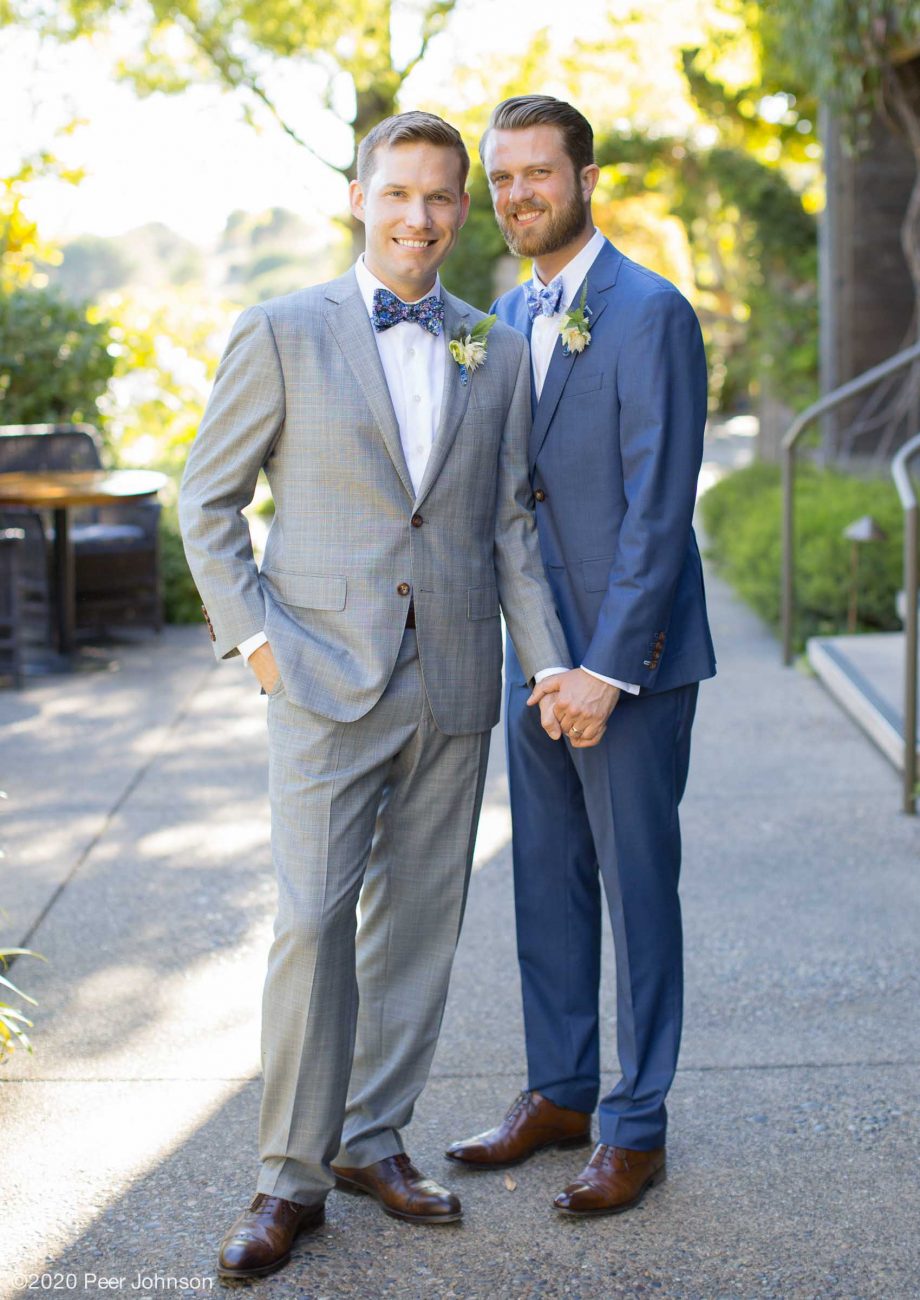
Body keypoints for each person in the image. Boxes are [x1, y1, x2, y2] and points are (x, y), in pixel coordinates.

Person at [179, 110, 574, 1280]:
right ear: (357, 198)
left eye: (441, 198)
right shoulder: (281, 330)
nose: (418, 217)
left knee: (415, 933)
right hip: (316, 679)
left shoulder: (489, 345)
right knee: (310, 924)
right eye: (397, 193)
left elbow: (504, 523)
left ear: (463, 211)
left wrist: (544, 662)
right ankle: (283, 1179)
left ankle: (371, 1139)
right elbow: (207, 506)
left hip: (452, 679)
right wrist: (257, 648)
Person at [446, 95, 716, 1216]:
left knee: (636, 886)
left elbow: (657, 510)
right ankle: (558, 1090)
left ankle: (635, 1120)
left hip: (629, 666)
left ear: (585, 178)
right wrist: (540, 660)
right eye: (500, 178)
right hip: (536, 659)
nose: (516, 195)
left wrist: (606, 669)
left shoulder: (648, 311)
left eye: (536, 174)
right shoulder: (496, 319)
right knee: (545, 886)